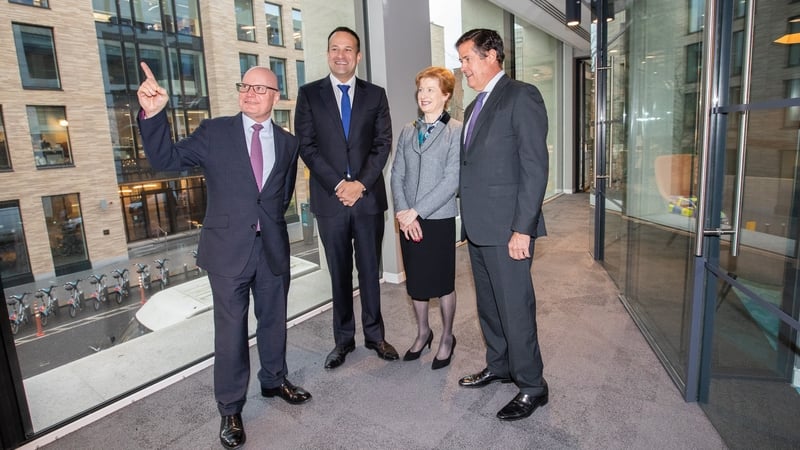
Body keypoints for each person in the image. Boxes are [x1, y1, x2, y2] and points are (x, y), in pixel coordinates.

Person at [137, 63, 311, 449]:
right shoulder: (215, 132)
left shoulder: (288, 142)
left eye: (259, 89)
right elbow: (166, 160)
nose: (249, 93)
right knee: (231, 334)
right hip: (227, 251)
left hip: (271, 249)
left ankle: (273, 380)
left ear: (276, 97)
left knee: (274, 322)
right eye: (244, 86)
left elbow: (279, 196)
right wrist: (153, 113)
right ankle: (230, 408)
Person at [454, 28, 550, 421]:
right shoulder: (475, 106)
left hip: (509, 228)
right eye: (460, 61)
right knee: (490, 306)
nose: (462, 69)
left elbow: (534, 166)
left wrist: (522, 228)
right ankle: (500, 365)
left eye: (467, 59)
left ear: (491, 54)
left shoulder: (521, 96)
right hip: (478, 226)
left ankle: (532, 386)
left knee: (515, 308)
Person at [294, 26, 398, 369]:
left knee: (370, 270)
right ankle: (343, 340)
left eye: (348, 49)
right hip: (330, 200)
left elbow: (383, 144)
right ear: (327, 54)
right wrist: (339, 184)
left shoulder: (376, 95)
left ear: (358, 55)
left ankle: (375, 335)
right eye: (335, 49)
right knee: (339, 273)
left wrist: (361, 184)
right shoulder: (309, 94)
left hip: (367, 200)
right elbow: (306, 146)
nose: (341, 55)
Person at [390, 66, 461, 370]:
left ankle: (446, 336)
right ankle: (423, 332)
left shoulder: (456, 130)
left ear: (446, 95)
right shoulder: (408, 130)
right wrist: (405, 214)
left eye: (431, 89)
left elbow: (452, 179)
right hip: (409, 220)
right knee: (417, 282)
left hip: (439, 219)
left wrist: (417, 211)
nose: (424, 95)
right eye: (421, 89)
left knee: (443, 283)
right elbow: (396, 174)